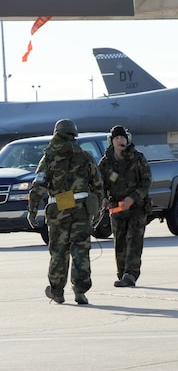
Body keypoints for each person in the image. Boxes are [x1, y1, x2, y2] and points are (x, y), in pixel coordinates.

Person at [27, 119, 104, 305]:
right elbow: (98, 185)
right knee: (81, 250)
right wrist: (98, 209)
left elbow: (38, 185)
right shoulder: (85, 156)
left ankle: (57, 291)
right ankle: (80, 291)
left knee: (58, 252)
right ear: (74, 135)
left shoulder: (49, 157)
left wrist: (32, 210)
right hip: (82, 210)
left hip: (59, 210)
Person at [98, 125, 153, 288]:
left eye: (122, 138)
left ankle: (131, 274)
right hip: (117, 208)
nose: (120, 140)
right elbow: (100, 184)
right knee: (120, 241)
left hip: (137, 207)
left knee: (134, 240)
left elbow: (146, 181)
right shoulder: (106, 162)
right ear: (111, 141)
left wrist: (133, 197)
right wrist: (103, 198)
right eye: (116, 138)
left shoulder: (137, 158)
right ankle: (121, 273)